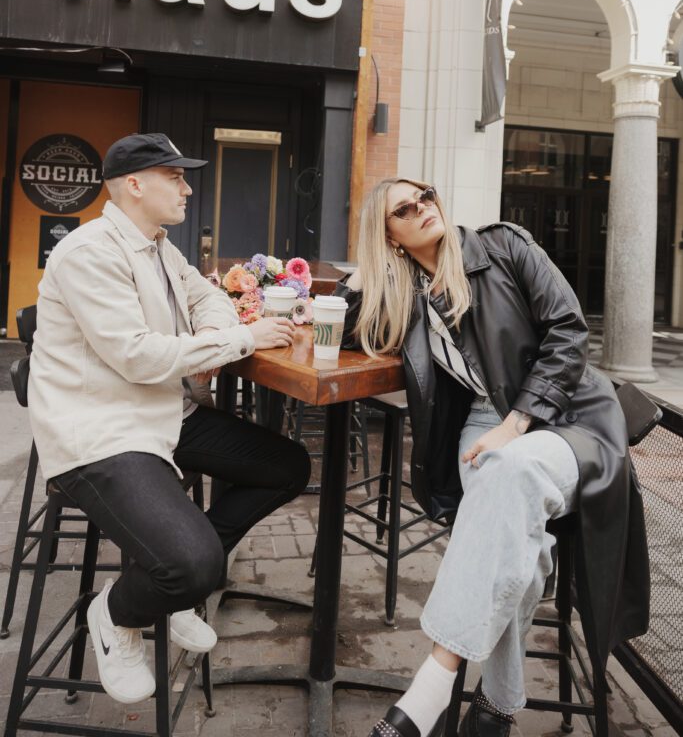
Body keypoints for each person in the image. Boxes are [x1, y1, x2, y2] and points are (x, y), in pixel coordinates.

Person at [335, 178, 650, 737]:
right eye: (403, 210)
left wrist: (518, 421)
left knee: (511, 473)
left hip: (568, 414)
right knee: (515, 545)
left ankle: (431, 688)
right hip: (482, 425)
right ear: (390, 237)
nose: (423, 208)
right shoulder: (406, 291)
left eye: (425, 195)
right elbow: (346, 323)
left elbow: (569, 333)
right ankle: (499, 705)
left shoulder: (503, 246)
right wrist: (367, 271)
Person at [28, 132, 310, 705]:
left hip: (165, 415)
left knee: (288, 465)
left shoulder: (158, 243)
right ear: (135, 185)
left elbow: (206, 297)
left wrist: (216, 331)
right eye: (175, 177)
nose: (187, 188)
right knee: (193, 563)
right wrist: (240, 340)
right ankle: (116, 612)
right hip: (101, 431)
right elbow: (136, 355)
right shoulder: (88, 252)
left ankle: (168, 583)